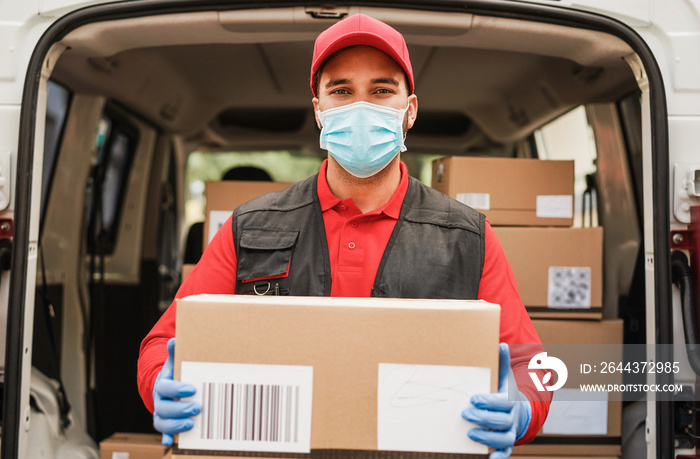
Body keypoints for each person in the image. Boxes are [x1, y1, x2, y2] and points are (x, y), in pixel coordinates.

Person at [138, 13, 551, 458]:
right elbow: (163, 345)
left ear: (409, 110)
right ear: (318, 110)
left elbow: (536, 368)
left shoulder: (468, 237)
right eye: (340, 91)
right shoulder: (249, 227)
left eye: (381, 91)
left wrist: (521, 410)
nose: (361, 107)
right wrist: (161, 384)